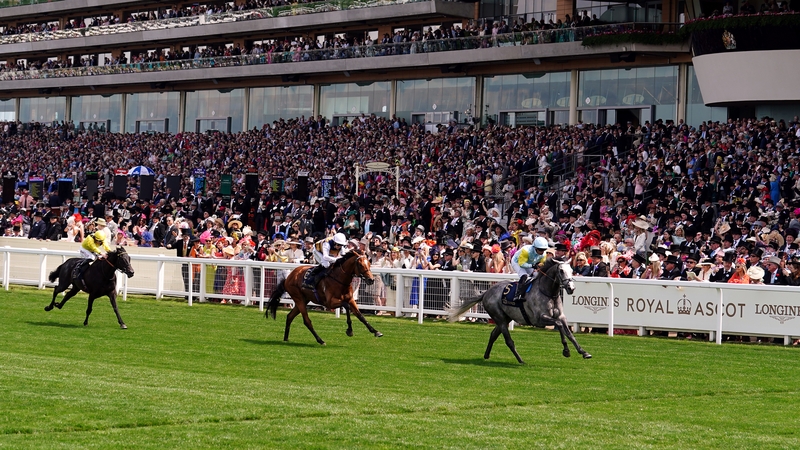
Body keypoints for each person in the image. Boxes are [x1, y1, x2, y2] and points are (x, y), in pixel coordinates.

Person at [510, 236, 549, 301]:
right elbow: (521, 264)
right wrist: (533, 265)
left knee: (537, 275)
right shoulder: (526, 251)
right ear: (535, 248)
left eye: (544, 249)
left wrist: (539, 266)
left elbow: (542, 263)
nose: (542, 251)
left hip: (529, 263)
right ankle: (517, 295)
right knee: (524, 275)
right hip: (517, 262)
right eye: (540, 250)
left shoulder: (543, 254)